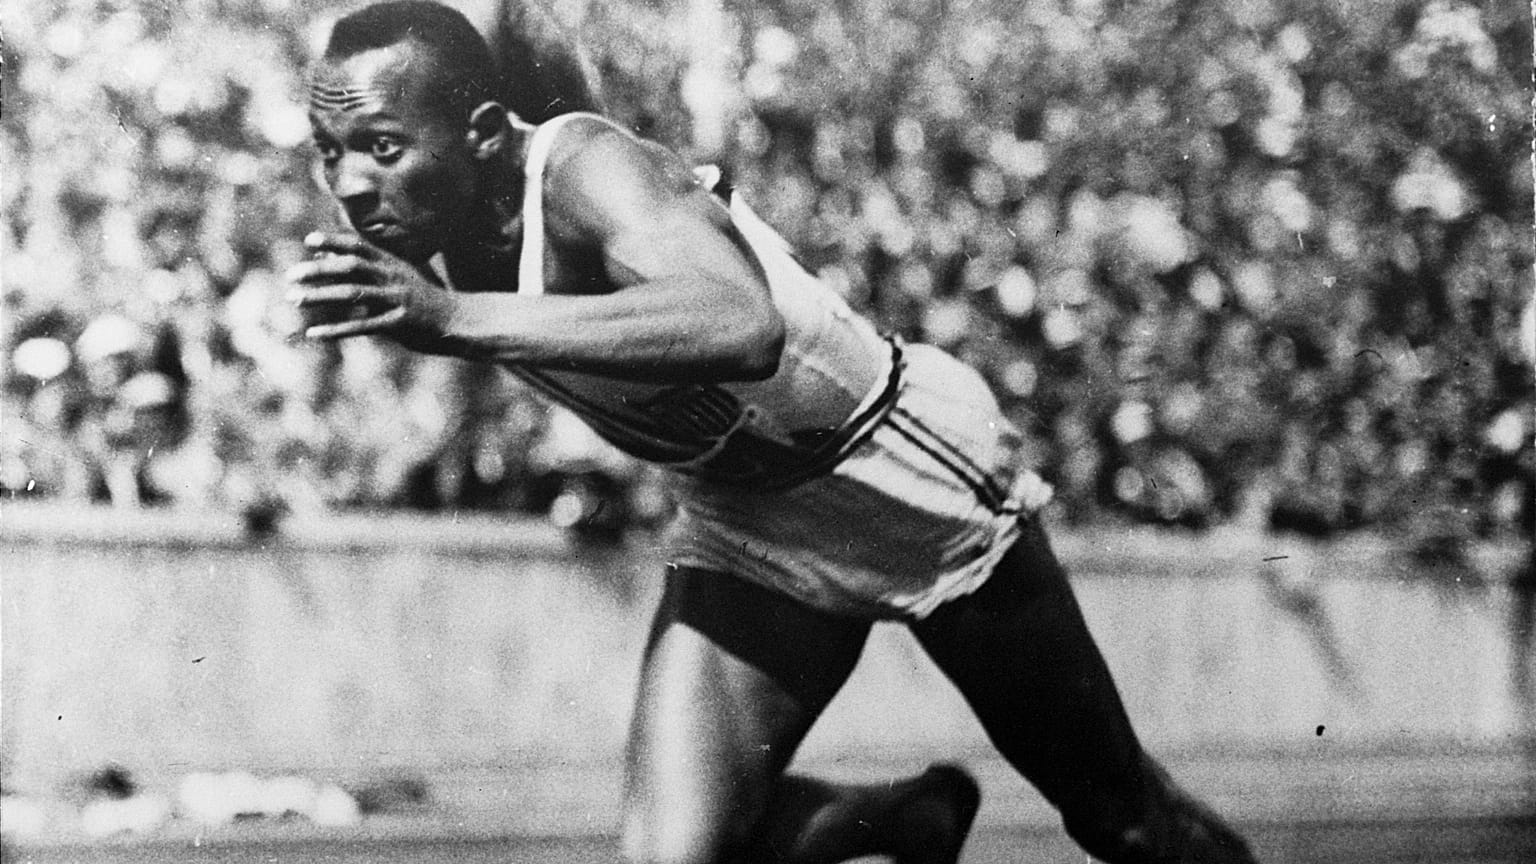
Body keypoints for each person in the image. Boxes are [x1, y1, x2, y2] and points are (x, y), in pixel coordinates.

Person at [286, 2, 1259, 862]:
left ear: (487, 135)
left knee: (1118, 821)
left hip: (896, 477)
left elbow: (740, 323)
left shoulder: (587, 170)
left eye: (382, 147)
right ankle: (892, 822)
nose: (352, 186)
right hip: (748, 521)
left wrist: (451, 319)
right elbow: (518, 30)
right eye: (330, 153)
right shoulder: (443, 228)